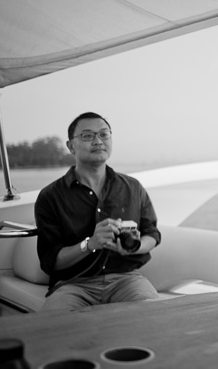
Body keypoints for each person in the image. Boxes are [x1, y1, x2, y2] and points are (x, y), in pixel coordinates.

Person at [35, 112, 160, 311]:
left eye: (104, 134)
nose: (98, 141)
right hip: (73, 284)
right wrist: (90, 243)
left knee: (155, 315)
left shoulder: (132, 187)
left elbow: (152, 234)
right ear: (71, 146)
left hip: (126, 280)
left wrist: (134, 247)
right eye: (87, 136)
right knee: (54, 327)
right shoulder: (51, 196)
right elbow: (51, 261)